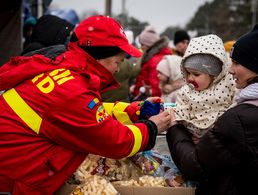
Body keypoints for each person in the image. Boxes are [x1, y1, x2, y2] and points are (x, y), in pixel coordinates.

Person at [0, 15, 171, 194]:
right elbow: (116, 141)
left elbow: (88, 115)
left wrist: (132, 110)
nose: (118, 69)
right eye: (118, 61)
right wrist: (152, 127)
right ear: (99, 56)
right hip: (10, 182)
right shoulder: (72, 90)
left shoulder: (66, 73)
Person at [166, 25, 258, 195]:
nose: (230, 69)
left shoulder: (238, 115)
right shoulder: (242, 104)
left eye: (237, 63)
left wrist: (174, 127)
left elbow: (195, 165)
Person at [170, 34, 236, 144]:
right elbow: (181, 110)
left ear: (214, 74)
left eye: (196, 74)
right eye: (187, 73)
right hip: (190, 141)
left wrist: (214, 134)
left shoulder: (229, 85)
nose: (190, 78)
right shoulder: (186, 91)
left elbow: (235, 111)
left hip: (220, 140)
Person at [132, 25, 172, 100]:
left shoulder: (155, 60)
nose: (140, 47)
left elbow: (157, 87)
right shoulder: (152, 56)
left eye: (142, 44)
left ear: (148, 45)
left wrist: (148, 92)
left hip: (149, 100)